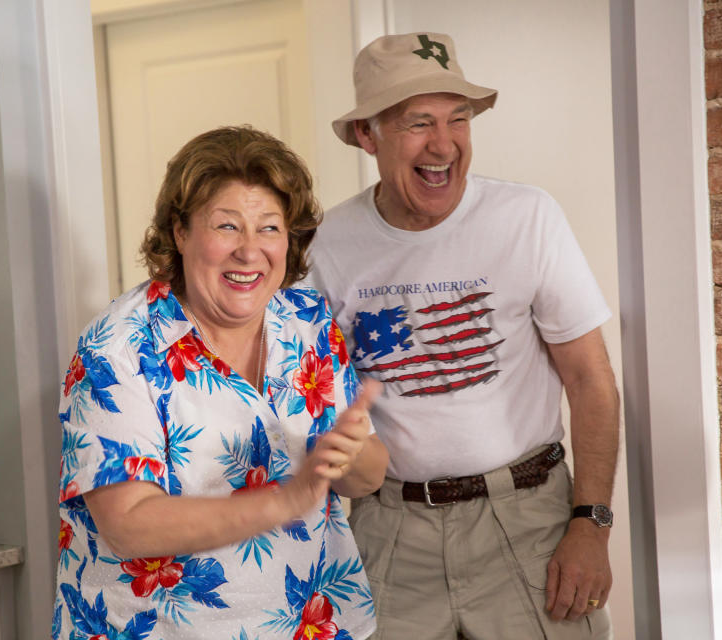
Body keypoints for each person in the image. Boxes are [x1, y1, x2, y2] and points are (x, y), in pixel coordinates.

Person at [307, 33, 619, 639]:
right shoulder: (325, 245)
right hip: (390, 529)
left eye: (459, 119)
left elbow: (590, 380)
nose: (443, 144)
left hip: (530, 521)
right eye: (417, 123)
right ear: (367, 135)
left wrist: (592, 523)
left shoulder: (526, 217)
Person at [52, 125, 388, 640]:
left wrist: (348, 454)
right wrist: (282, 501)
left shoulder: (308, 322)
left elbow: (364, 479)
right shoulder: (117, 351)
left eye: (270, 228)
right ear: (180, 231)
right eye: (227, 226)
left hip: (314, 625)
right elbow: (127, 526)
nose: (250, 252)